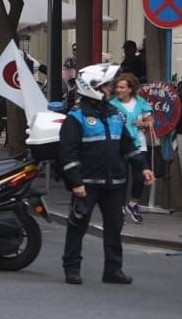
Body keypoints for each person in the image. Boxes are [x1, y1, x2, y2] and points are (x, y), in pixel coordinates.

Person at [61, 64, 153, 285]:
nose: (109, 89)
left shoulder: (114, 114)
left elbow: (127, 145)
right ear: (92, 87)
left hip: (115, 183)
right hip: (87, 183)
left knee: (114, 227)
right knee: (77, 226)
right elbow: (67, 153)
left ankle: (113, 270)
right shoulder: (76, 117)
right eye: (105, 86)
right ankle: (72, 268)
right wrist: (76, 182)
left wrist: (143, 167)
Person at [109, 72, 153, 224]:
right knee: (122, 179)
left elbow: (151, 121)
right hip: (119, 146)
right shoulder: (112, 105)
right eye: (117, 87)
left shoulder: (140, 102)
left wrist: (144, 124)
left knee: (140, 178)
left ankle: (133, 204)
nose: (119, 90)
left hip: (139, 144)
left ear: (130, 89)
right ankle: (120, 208)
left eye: (122, 87)